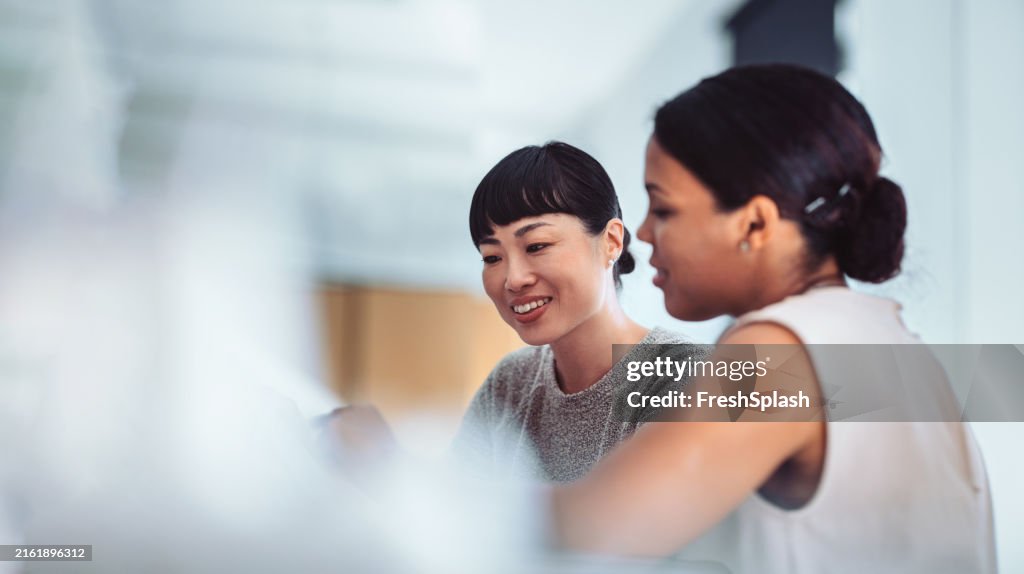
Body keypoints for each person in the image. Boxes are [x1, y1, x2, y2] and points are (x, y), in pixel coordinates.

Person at [549, 64, 995, 573]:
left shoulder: (776, 354)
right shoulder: (895, 345)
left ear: (755, 223)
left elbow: (595, 529)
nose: (643, 232)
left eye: (664, 209)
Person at [329, 142, 695, 483]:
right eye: (492, 257)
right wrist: (385, 460)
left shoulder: (692, 373)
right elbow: (458, 506)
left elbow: (641, 518)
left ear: (611, 242)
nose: (513, 279)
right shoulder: (510, 381)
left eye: (536, 246)